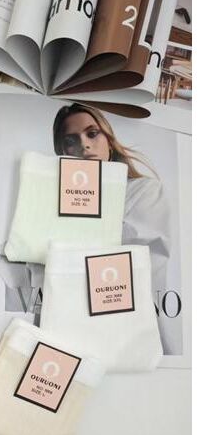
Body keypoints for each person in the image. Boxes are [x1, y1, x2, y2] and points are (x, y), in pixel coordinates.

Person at [52, 103, 171, 301]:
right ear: (62, 152)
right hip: (67, 303)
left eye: (92, 134)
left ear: (108, 140)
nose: (84, 144)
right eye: (71, 140)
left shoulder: (144, 190)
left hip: (124, 303)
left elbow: (136, 259)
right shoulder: (51, 201)